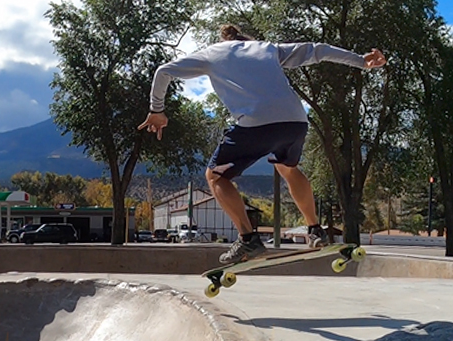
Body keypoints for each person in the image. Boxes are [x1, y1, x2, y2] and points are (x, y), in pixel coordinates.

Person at [138, 25, 387, 264]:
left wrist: (157, 110)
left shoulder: (211, 54)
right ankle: (315, 231)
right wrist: (361, 60)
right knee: (287, 167)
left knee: (215, 176)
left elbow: (164, 71)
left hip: (257, 123)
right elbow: (317, 49)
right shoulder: (267, 49)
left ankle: (248, 238)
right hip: (295, 121)